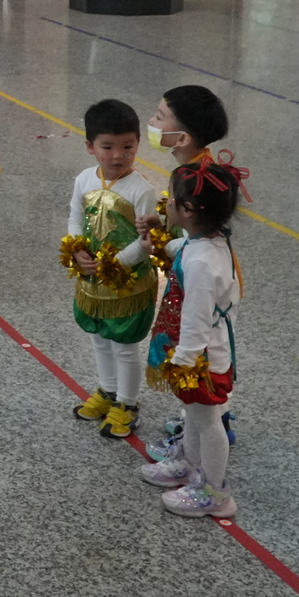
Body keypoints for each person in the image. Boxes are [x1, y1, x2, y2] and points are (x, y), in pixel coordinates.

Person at [139, 156, 246, 519]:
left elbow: (197, 319)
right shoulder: (203, 243)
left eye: (169, 198)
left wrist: (183, 361)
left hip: (200, 359)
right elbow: (181, 249)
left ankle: (215, 493)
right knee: (193, 415)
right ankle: (189, 464)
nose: (165, 202)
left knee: (207, 421)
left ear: (187, 208)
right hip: (192, 353)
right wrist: (158, 240)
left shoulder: (202, 263)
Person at [65, 99, 162, 441]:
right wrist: (76, 248)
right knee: (98, 339)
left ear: (137, 144)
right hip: (92, 278)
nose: (118, 156)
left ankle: (128, 403)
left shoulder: (142, 190)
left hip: (126, 283)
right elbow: (75, 216)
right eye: (107, 147)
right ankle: (107, 391)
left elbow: (146, 242)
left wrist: (113, 264)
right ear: (90, 146)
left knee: (123, 345)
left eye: (128, 147)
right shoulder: (83, 179)